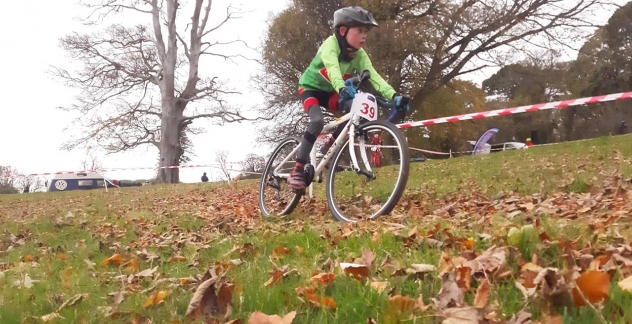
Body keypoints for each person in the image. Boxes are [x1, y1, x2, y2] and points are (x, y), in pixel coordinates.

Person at [288, 6, 410, 192]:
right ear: (343, 31)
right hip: (310, 89)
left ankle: (331, 143)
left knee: (357, 108)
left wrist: (394, 96)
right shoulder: (331, 45)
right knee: (317, 121)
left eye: (366, 32)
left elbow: (375, 78)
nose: (364, 36)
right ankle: (297, 170)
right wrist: (342, 88)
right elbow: (332, 69)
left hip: (330, 92)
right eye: (359, 30)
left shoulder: (359, 54)